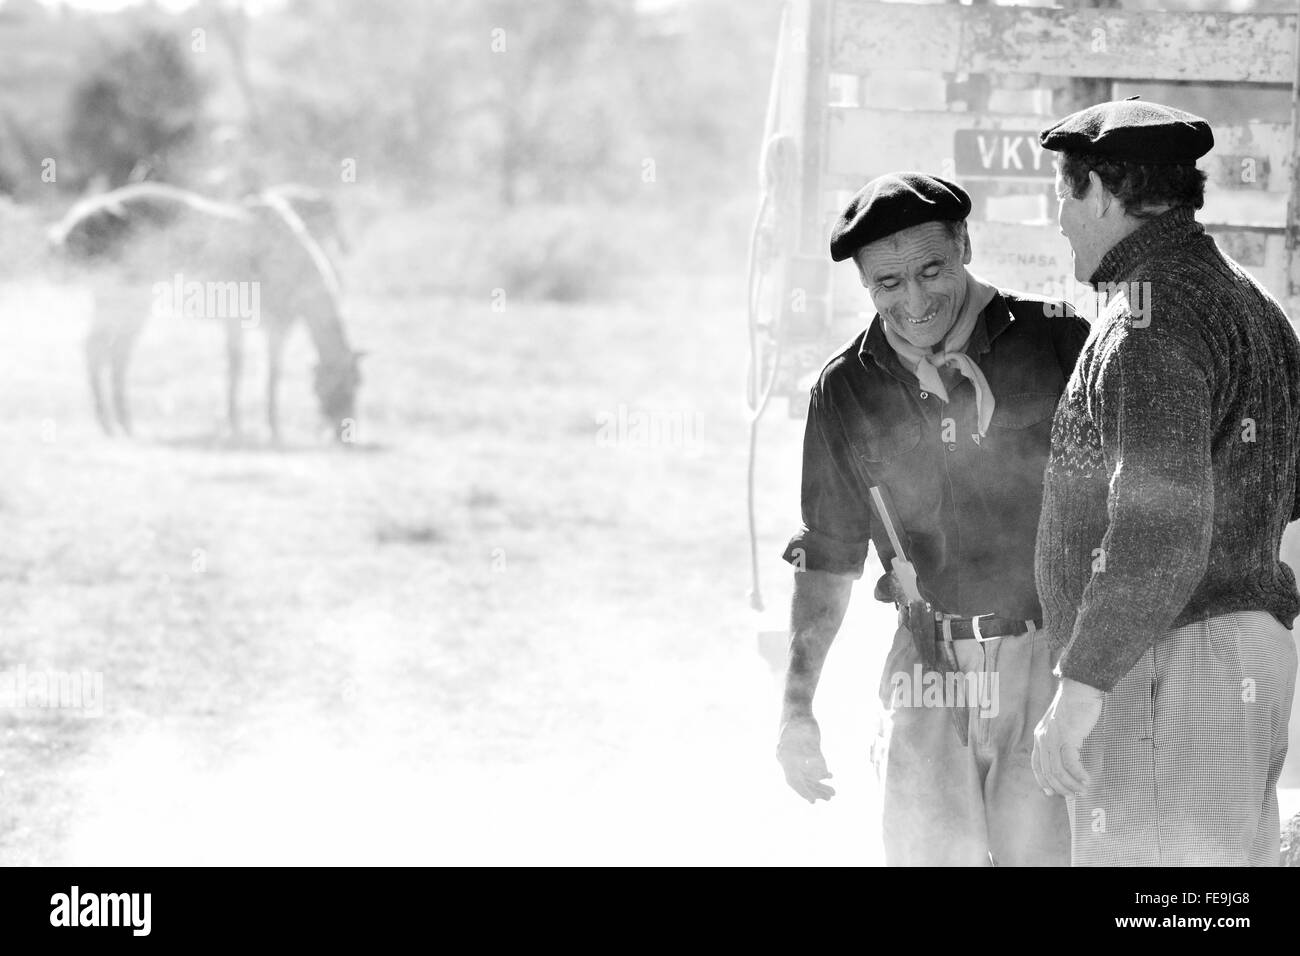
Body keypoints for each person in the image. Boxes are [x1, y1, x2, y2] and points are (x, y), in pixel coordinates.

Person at [776, 171, 1089, 865]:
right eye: (888, 284)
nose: (914, 301)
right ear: (864, 285)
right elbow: (827, 560)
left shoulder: (1059, 342)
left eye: (931, 270)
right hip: (926, 667)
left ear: (965, 244)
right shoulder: (845, 387)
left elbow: (1121, 513)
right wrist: (797, 710)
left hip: (1049, 660)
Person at [1032, 98, 1300, 865]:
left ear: (1106, 194)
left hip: (1168, 668)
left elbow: (1159, 527)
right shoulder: (1251, 301)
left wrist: (1081, 687)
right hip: (1243, 658)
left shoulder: (1146, 318)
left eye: (1065, 192)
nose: (1059, 220)